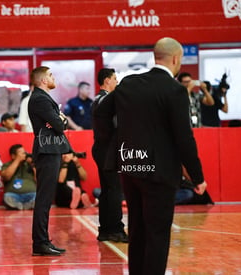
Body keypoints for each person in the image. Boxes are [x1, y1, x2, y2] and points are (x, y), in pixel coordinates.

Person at [108, 37, 207, 274]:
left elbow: (105, 115)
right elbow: (184, 138)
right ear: (175, 59)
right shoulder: (175, 91)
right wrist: (197, 176)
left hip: (131, 167)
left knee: (138, 230)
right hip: (160, 172)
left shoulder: (128, 84)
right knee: (157, 234)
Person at [28, 66, 72, 256]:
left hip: (50, 149)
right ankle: (40, 243)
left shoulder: (42, 98)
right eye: (51, 75)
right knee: (44, 199)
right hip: (46, 150)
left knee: (46, 198)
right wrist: (58, 120)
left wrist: (59, 120)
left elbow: (60, 121)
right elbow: (59, 125)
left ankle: (43, 240)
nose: (54, 78)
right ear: (44, 80)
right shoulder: (39, 99)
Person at [91, 68, 128, 243]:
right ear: (107, 80)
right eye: (115, 78)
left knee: (107, 190)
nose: (117, 82)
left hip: (102, 148)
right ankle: (115, 229)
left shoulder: (99, 99)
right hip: (108, 150)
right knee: (114, 189)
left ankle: (105, 229)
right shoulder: (106, 99)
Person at [1, 144, 36, 210]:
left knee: (39, 197)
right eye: (21, 153)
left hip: (31, 195)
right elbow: (6, 176)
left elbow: (39, 180)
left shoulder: (30, 164)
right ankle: (22, 206)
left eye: (24, 152)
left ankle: (24, 206)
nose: (24, 155)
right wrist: (17, 160)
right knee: (6, 197)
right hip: (13, 195)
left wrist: (33, 165)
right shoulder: (7, 165)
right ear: (13, 156)